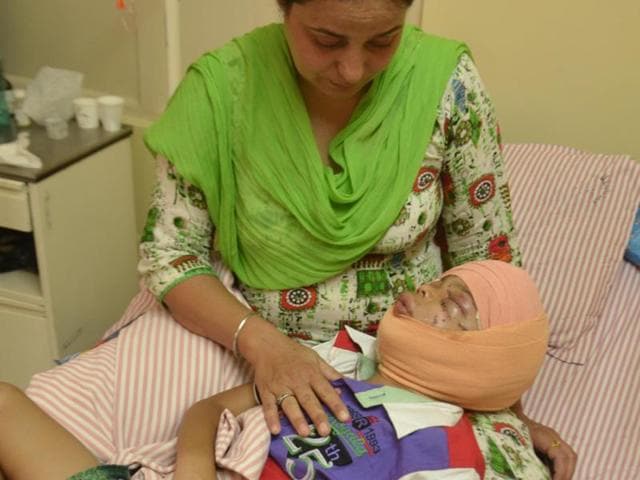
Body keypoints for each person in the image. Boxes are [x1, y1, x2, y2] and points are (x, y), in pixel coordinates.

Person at [13, 0, 576, 478]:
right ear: (284, 10)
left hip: (409, 361)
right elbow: (170, 257)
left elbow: (488, 260)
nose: (353, 69)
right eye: (326, 39)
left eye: (383, 40)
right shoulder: (222, 91)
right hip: (235, 333)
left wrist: (504, 407)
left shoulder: (446, 85)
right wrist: (263, 348)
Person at [0, 261, 551, 479]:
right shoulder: (327, 362)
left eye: (453, 306)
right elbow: (212, 409)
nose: (426, 290)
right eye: (437, 282)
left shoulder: (446, 451)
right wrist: (193, 466)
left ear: (488, 358)